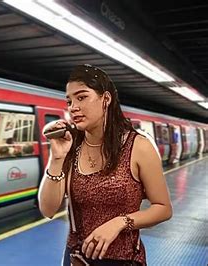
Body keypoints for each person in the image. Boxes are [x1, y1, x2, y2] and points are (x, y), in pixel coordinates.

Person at [38, 64, 172, 265]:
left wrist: (120, 222)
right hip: (77, 259)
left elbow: (163, 208)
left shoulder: (138, 146)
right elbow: (48, 210)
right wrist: (56, 158)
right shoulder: (71, 147)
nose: (73, 107)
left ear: (106, 99)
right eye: (69, 101)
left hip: (123, 260)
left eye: (82, 97)